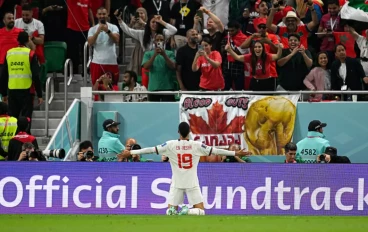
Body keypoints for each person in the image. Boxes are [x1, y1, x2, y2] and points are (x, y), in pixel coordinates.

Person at [122, 122, 251, 215]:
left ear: (178, 132)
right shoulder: (196, 145)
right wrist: (235, 153)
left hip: (177, 183)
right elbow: (216, 151)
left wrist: (132, 153)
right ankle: (187, 211)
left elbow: (150, 149)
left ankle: (179, 211)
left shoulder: (170, 145)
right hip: (192, 183)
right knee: (200, 211)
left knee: (170, 211)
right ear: (189, 132)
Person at [0, 32, 43, 128]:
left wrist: (4, 93)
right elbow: (36, 75)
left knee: (12, 118)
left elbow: (3, 75)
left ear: (17, 40)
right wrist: (40, 94)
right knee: (26, 119)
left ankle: (13, 139)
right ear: (28, 40)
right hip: (26, 91)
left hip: (12, 90)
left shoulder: (9, 53)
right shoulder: (30, 54)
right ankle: (26, 138)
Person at [88, 6, 120, 101]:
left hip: (111, 62)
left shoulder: (113, 27)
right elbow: (90, 43)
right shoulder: (92, 29)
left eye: (104, 14)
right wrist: (98, 32)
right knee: (96, 88)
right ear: (96, 15)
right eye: (100, 14)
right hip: (97, 63)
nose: (102, 16)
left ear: (107, 15)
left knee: (112, 88)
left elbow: (116, 40)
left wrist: (107, 31)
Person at [142, 33, 176, 102]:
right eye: (157, 40)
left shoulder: (170, 53)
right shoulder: (148, 54)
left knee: (168, 111)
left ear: (165, 41)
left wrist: (164, 55)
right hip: (153, 87)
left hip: (168, 87)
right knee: (154, 111)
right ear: (154, 42)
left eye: (161, 40)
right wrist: (154, 55)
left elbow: (173, 66)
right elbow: (146, 66)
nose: (159, 41)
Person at [128, 7, 148, 76]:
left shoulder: (149, 24)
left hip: (147, 48)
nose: (139, 15)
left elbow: (150, 33)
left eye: (142, 13)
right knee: (136, 68)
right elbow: (128, 34)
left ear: (145, 15)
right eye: (138, 13)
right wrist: (131, 24)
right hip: (137, 49)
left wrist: (144, 23)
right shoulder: (134, 26)